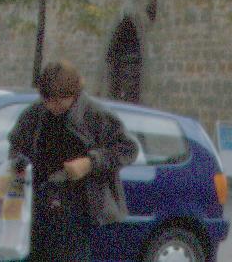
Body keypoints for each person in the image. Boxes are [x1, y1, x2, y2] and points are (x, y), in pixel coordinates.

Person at [8, 61, 136, 262]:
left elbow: (128, 149)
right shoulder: (34, 114)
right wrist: (19, 164)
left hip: (77, 212)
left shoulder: (95, 115)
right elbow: (16, 147)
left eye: (61, 101)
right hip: (37, 209)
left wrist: (89, 163)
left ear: (74, 94)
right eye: (48, 100)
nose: (54, 106)